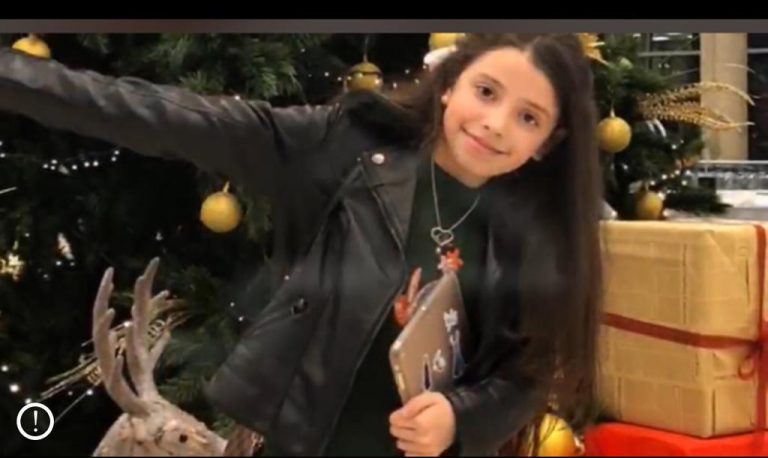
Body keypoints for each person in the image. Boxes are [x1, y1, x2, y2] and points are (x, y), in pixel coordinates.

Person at [0, 33, 603, 456]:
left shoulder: (535, 234)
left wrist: (459, 418)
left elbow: (526, 375)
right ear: (449, 85)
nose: (496, 124)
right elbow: (171, 117)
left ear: (549, 142)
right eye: (487, 92)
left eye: (529, 117)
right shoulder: (347, 148)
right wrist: (18, 78)